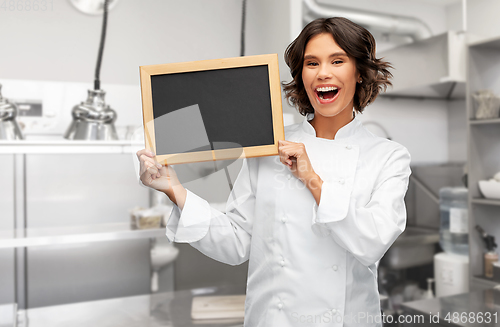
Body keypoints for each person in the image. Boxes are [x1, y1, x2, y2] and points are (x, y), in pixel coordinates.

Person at [137, 17, 411, 327]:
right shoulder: (270, 147)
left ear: (359, 72)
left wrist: (311, 177)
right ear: (301, 75)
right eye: (311, 63)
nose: (323, 73)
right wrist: (175, 189)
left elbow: (372, 242)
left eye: (338, 60)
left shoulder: (387, 157)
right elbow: (237, 242)